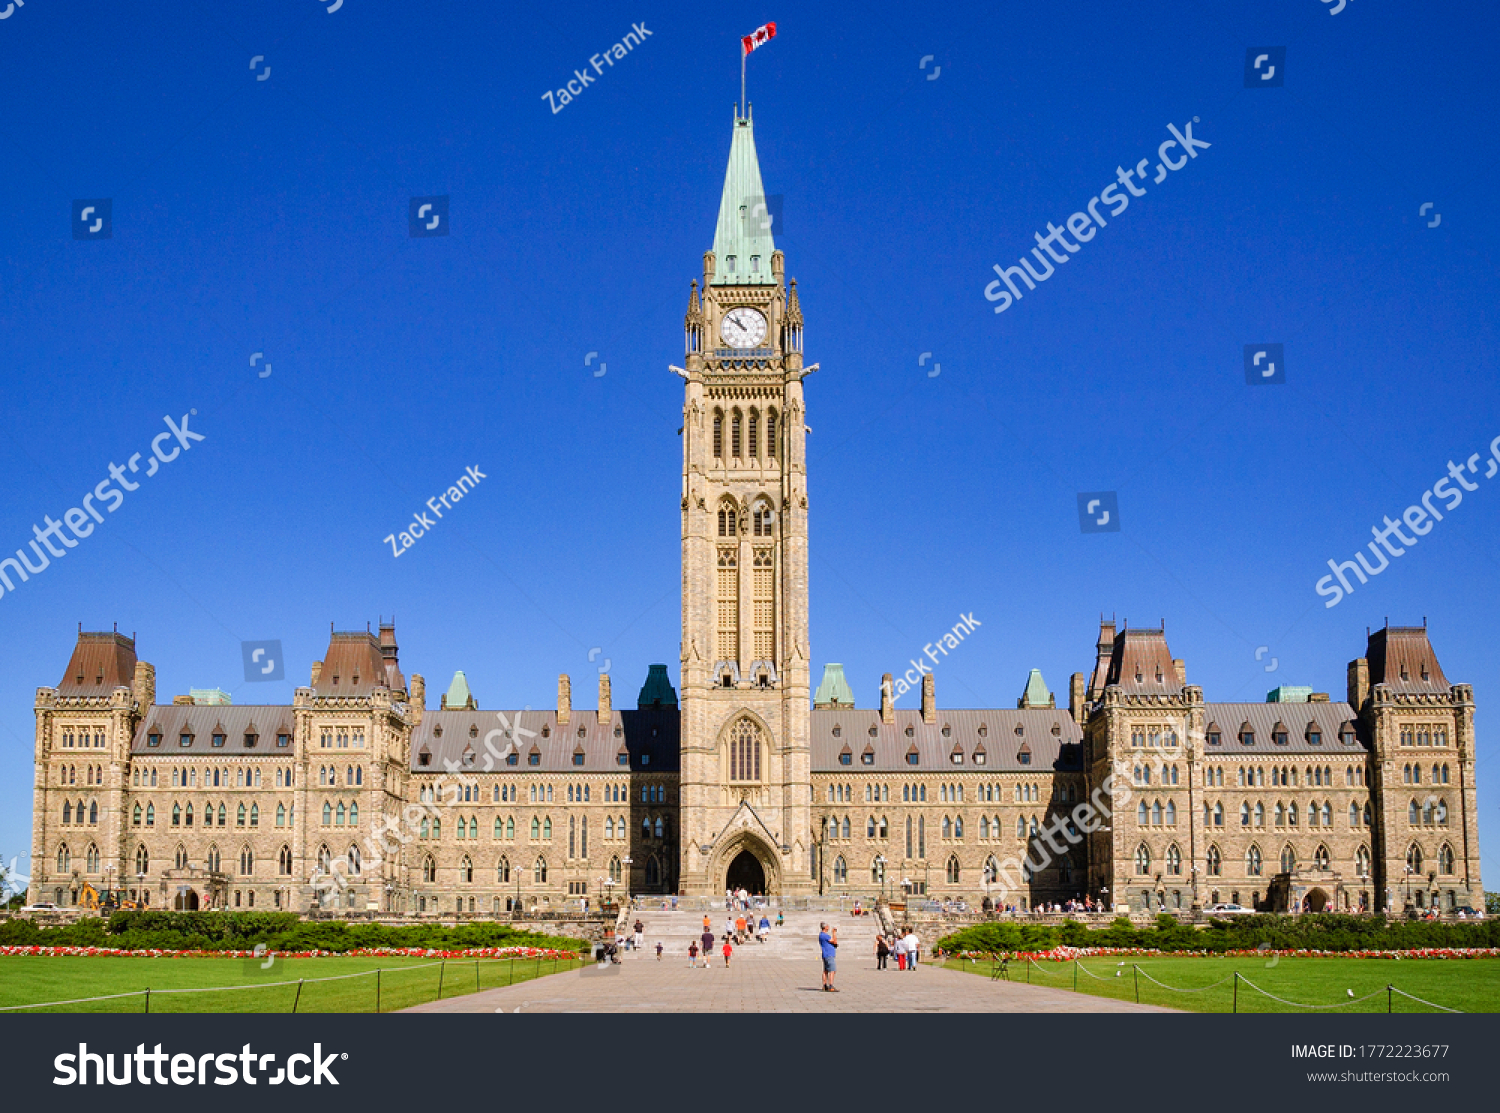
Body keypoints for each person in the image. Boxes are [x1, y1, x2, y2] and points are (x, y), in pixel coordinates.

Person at [818, 921, 839, 991]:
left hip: (825, 954)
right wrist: (834, 933)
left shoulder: (821, 935)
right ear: (825, 927)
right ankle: (830, 985)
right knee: (832, 970)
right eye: (827, 926)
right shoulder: (825, 935)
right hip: (829, 954)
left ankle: (824, 985)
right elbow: (834, 941)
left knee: (825, 971)